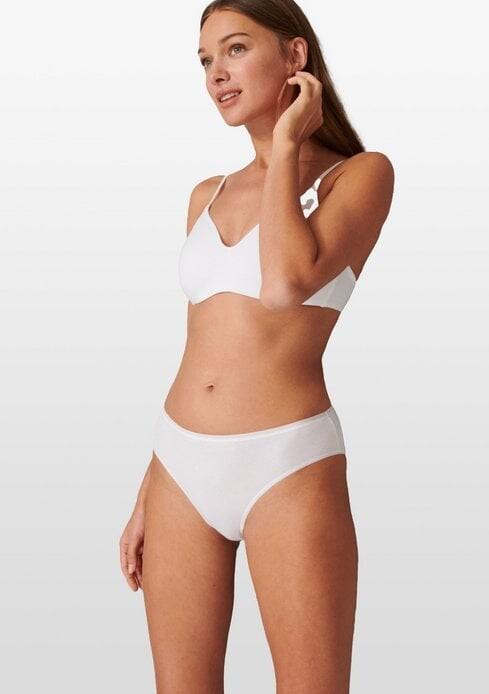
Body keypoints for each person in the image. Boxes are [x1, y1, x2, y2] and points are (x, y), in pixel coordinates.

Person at [119, 1, 394, 691]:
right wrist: (150, 485)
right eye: (206, 60)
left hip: (286, 463)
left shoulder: (359, 176)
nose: (216, 73)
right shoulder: (206, 194)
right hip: (179, 463)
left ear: (295, 56)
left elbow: (284, 284)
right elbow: (199, 347)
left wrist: (288, 145)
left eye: (236, 49)